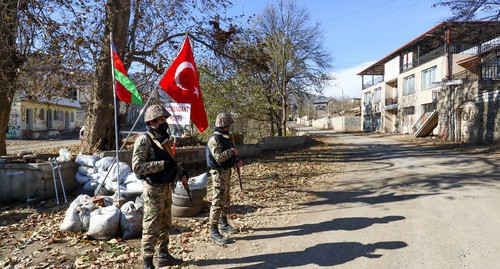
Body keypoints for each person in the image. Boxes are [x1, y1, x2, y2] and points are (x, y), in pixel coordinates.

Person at [132, 104, 187, 269]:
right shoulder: (144, 140)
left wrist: (181, 171)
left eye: (165, 119)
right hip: (153, 189)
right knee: (151, 225)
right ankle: (148, 261)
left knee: (165, 223)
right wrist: (162, 164)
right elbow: (137, 167)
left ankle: (163, 254)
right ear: (151, 122)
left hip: (166, 187)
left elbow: (172, 162)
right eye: (161, 120)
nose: (165, 122)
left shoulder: (163, 140)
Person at [205, 113, 243, 244]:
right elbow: (219, 157)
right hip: (218, 173)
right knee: (218, 200)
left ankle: (223, 222)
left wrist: (236, 160)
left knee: (226, 198)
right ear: (224, 126)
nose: (229, 128)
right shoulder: (214, 139)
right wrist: (232, 152)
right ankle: (213, 230)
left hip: (226, 172)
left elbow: (231, 153)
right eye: (228, 125)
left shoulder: (226, 137)